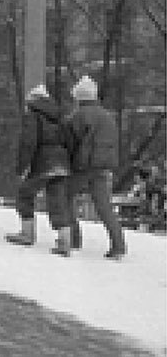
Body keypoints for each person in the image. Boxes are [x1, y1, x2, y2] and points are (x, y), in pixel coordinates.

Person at [5, 84, 74, 254]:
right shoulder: (60, 117)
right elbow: (70, 142)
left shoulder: (32, 116)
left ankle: (27, 233)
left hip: (43, 162)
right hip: (62, 163)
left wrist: (22, 167)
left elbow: (28, 143)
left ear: (32, 101)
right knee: (57, 201)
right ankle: (65, 241)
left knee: (25, 194)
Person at [64, 75, 128, 260]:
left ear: (79, 97)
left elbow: (71, 142)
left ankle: (74, 239)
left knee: (65, 196)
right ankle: (118, 246)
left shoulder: (78, 115)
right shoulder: (108, 116)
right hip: (103, 167)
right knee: (104, 206)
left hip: (84, 166)